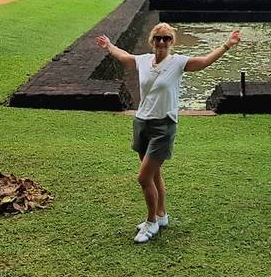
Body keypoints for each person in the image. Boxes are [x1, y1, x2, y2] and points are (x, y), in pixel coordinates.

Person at [96, 23, 241, 244]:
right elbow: (124, 57)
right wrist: (108, 46)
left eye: (166, 38)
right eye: (158, 39)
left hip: (163, 126)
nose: (162, 42)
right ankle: (162, 215)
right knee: (154, 175)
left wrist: (226, 45)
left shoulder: (178, 63)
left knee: (143, 177)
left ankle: (151, 222)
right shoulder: (144, 60)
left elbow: (204, 62)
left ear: (172, 41)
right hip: (142, 123)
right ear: (152, 41)